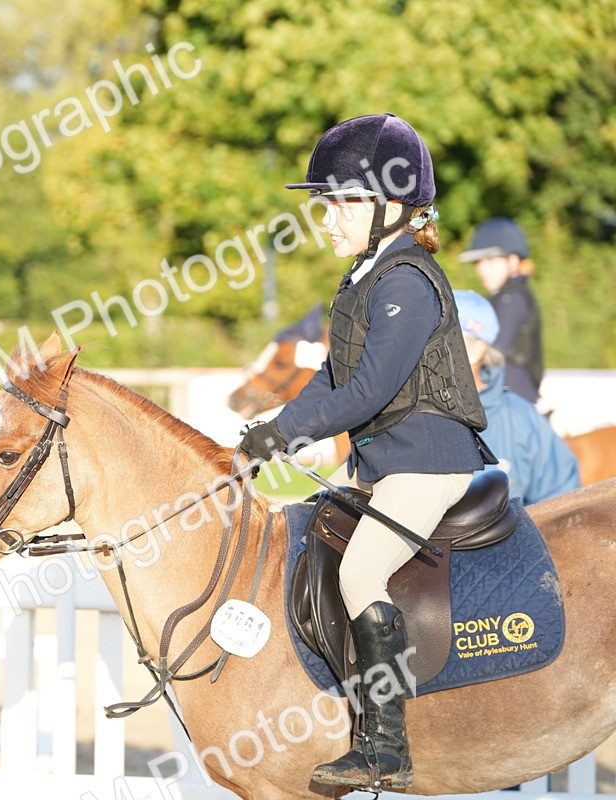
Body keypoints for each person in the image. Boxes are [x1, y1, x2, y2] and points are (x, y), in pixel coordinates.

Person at [238, 113, 496, 790]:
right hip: (387, 461)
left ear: (394, 206)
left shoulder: (407, 282)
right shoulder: (363, 279)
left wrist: (282, 435)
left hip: (429, 462)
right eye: (326, 202)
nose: (328, 217)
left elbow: (368, 392)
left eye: (345, 201)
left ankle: (385, 746)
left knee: (359, 575)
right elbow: (330, 379)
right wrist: (269, 428)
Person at [454, 290, 579, 504]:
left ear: (478, 350)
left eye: (444, 340)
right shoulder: (396, 409)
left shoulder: (520, 418)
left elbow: (562, 504)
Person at [458, 218, 543, 404]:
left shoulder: (511, 299)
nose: (482, 269)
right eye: (478, 262)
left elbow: (495, 349)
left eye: (490, 260)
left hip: (510, 398)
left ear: (512, 261)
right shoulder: (504, 297)